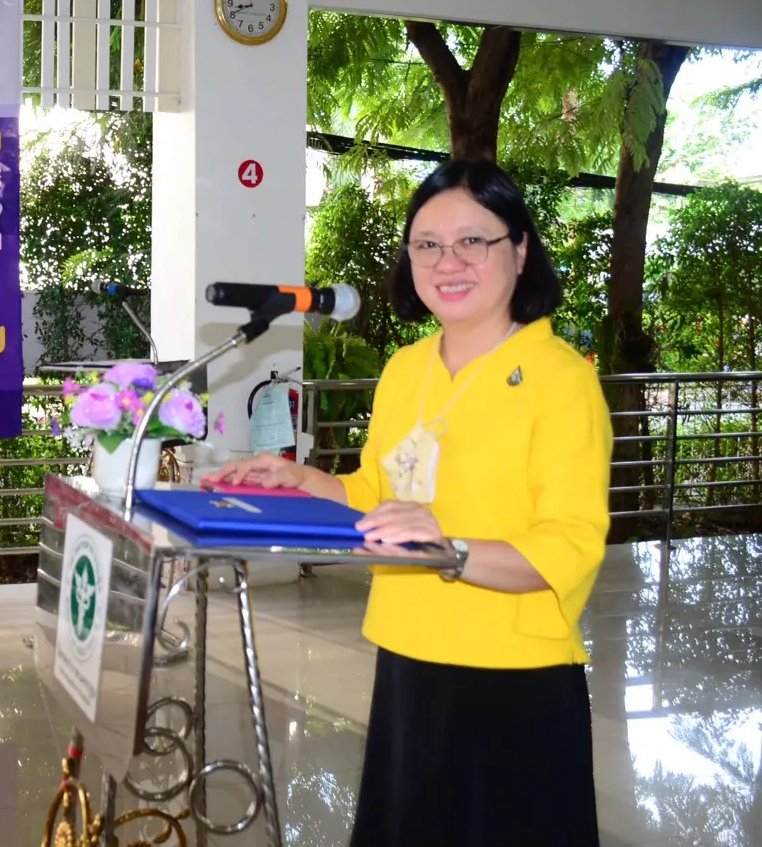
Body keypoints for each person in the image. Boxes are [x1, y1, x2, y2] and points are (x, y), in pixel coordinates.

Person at [204, 159, 610, 847]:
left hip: (514, 680)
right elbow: (377, 493)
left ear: (519, 250)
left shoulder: (561, 379)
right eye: (428, 244)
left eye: (472, 241)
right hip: (408, 657)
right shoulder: (406, 369)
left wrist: (451, 550)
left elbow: (567, 547)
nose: (448, 262)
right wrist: (302, 480)